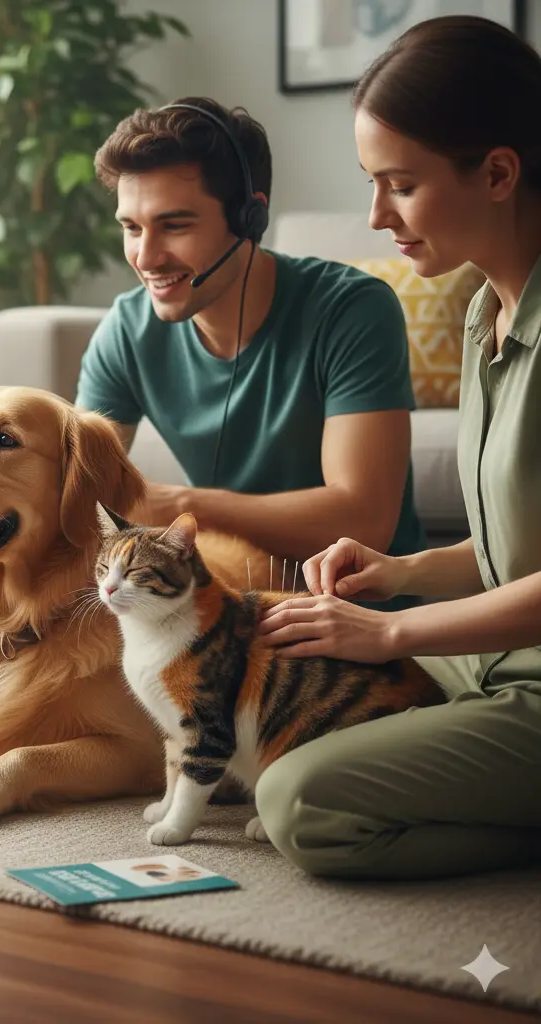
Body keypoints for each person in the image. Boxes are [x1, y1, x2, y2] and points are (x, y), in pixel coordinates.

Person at [0, 96, 425, 613]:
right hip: (209, 601)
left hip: (351, 606)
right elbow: (70, 493)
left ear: (250, 217)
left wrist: (181, 505)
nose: (146, 258)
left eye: (174, 226)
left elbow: (363, 518)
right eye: (131, 227)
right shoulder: (129, 327)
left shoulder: (351, 308)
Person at [255, 15, 541, 881]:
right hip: (494, 658)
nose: (376, 215)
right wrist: (396, 574)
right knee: (277, 692)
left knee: (300, 801)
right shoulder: (484, 314)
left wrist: (388, 636)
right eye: (371, 184)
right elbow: (512, 550)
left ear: (496, 172)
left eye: (400, 185)